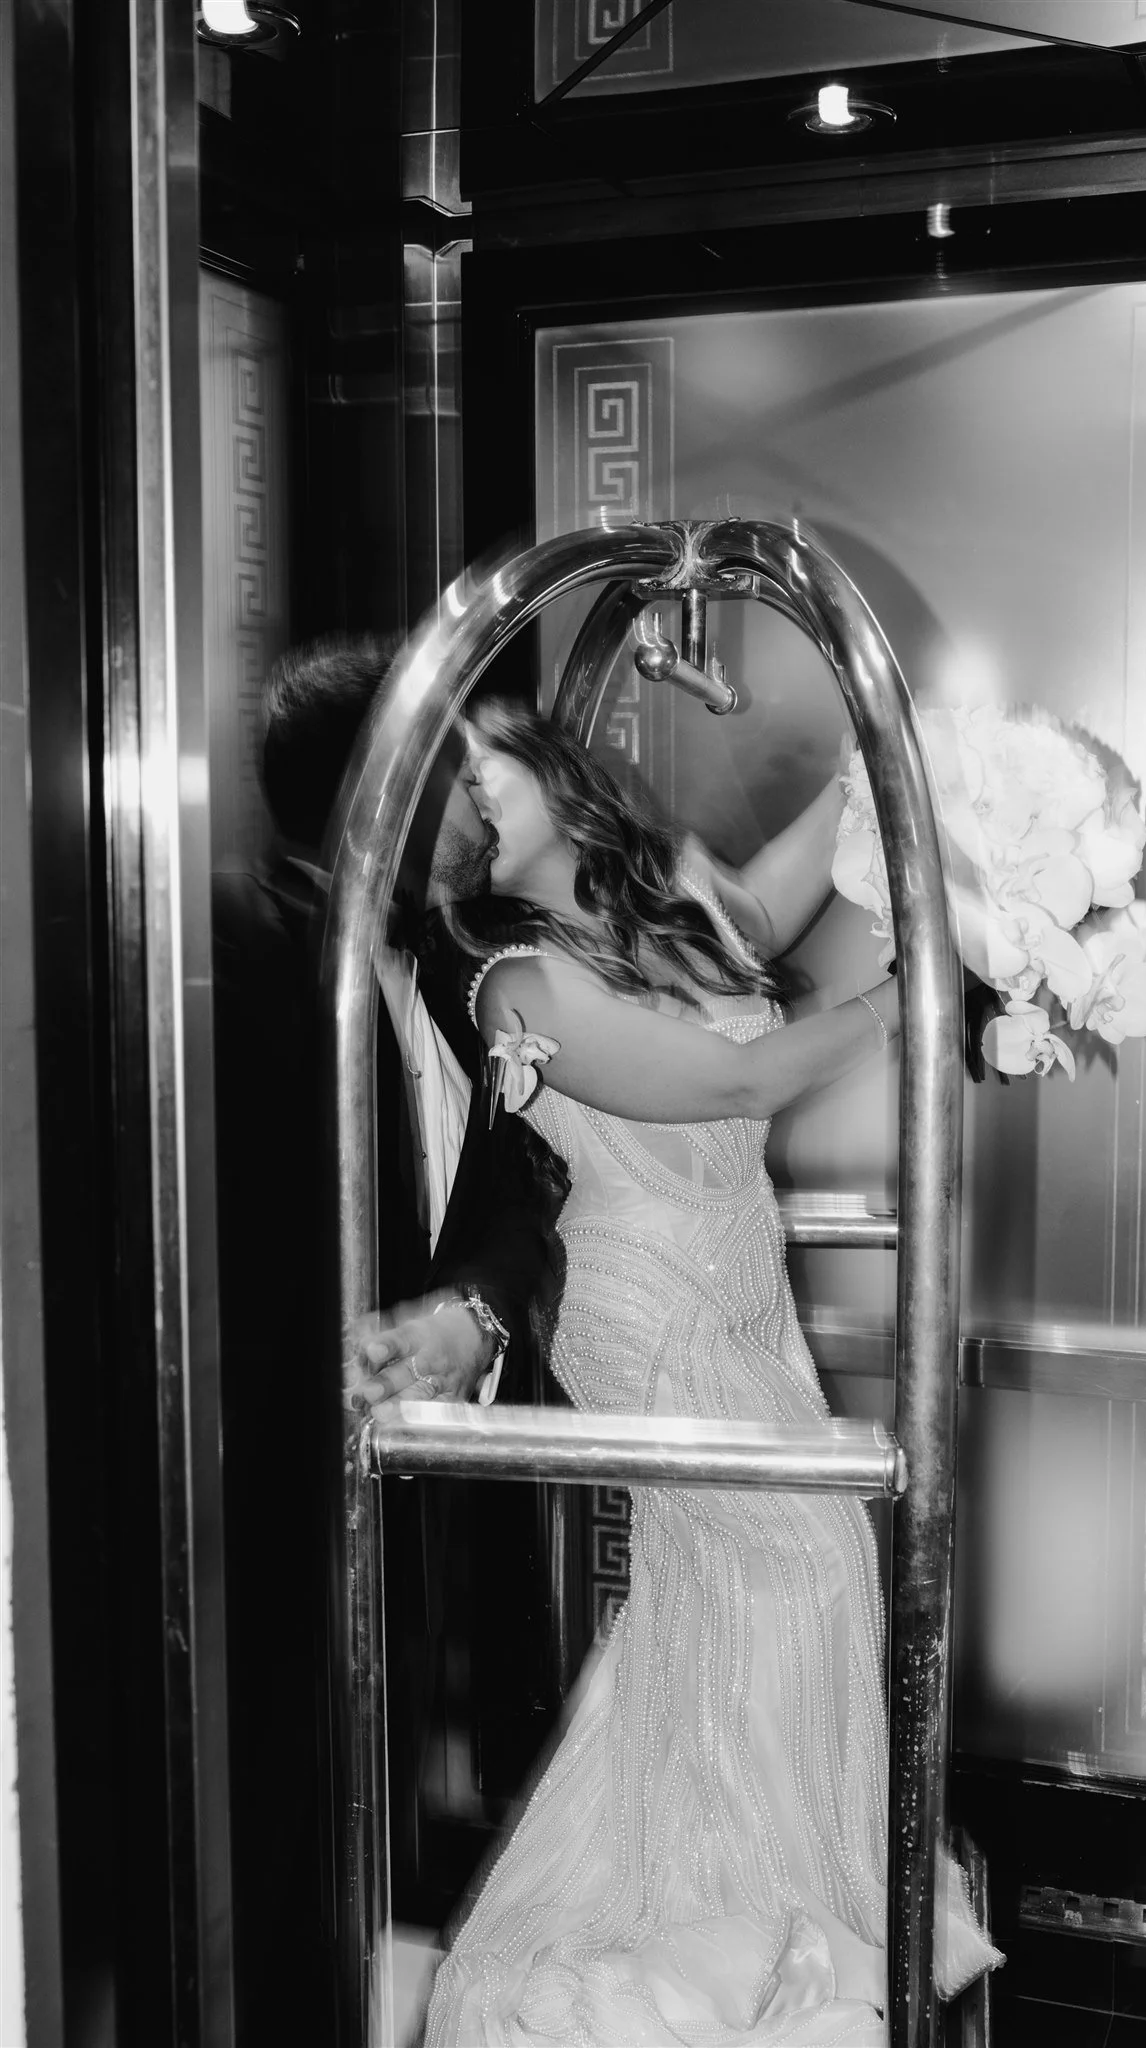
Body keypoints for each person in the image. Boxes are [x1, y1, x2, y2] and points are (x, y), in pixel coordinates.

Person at [423, 703, 898, 2048]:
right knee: (813, 1570)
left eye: (479, 765)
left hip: (741, 1289)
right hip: (648, 1305)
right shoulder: (513, 978)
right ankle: (775, 1914)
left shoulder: (656, 900)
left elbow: (773, 899)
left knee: (729, 1602)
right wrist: (927, 988)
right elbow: (735, 1082)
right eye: (447, 796)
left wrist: (889, 772)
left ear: (539, 757)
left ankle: (720, 1901)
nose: (469, 796)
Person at [212, 639, 570, 2022]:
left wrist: (475, 1306)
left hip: (394, 1513)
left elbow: (519, 1193)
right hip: (267, 1522)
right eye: (456, 771)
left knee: (358, 1851)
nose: (482, 804)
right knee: (276, 1855)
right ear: (385, 789)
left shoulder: (441, 974)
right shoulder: (237, 965)